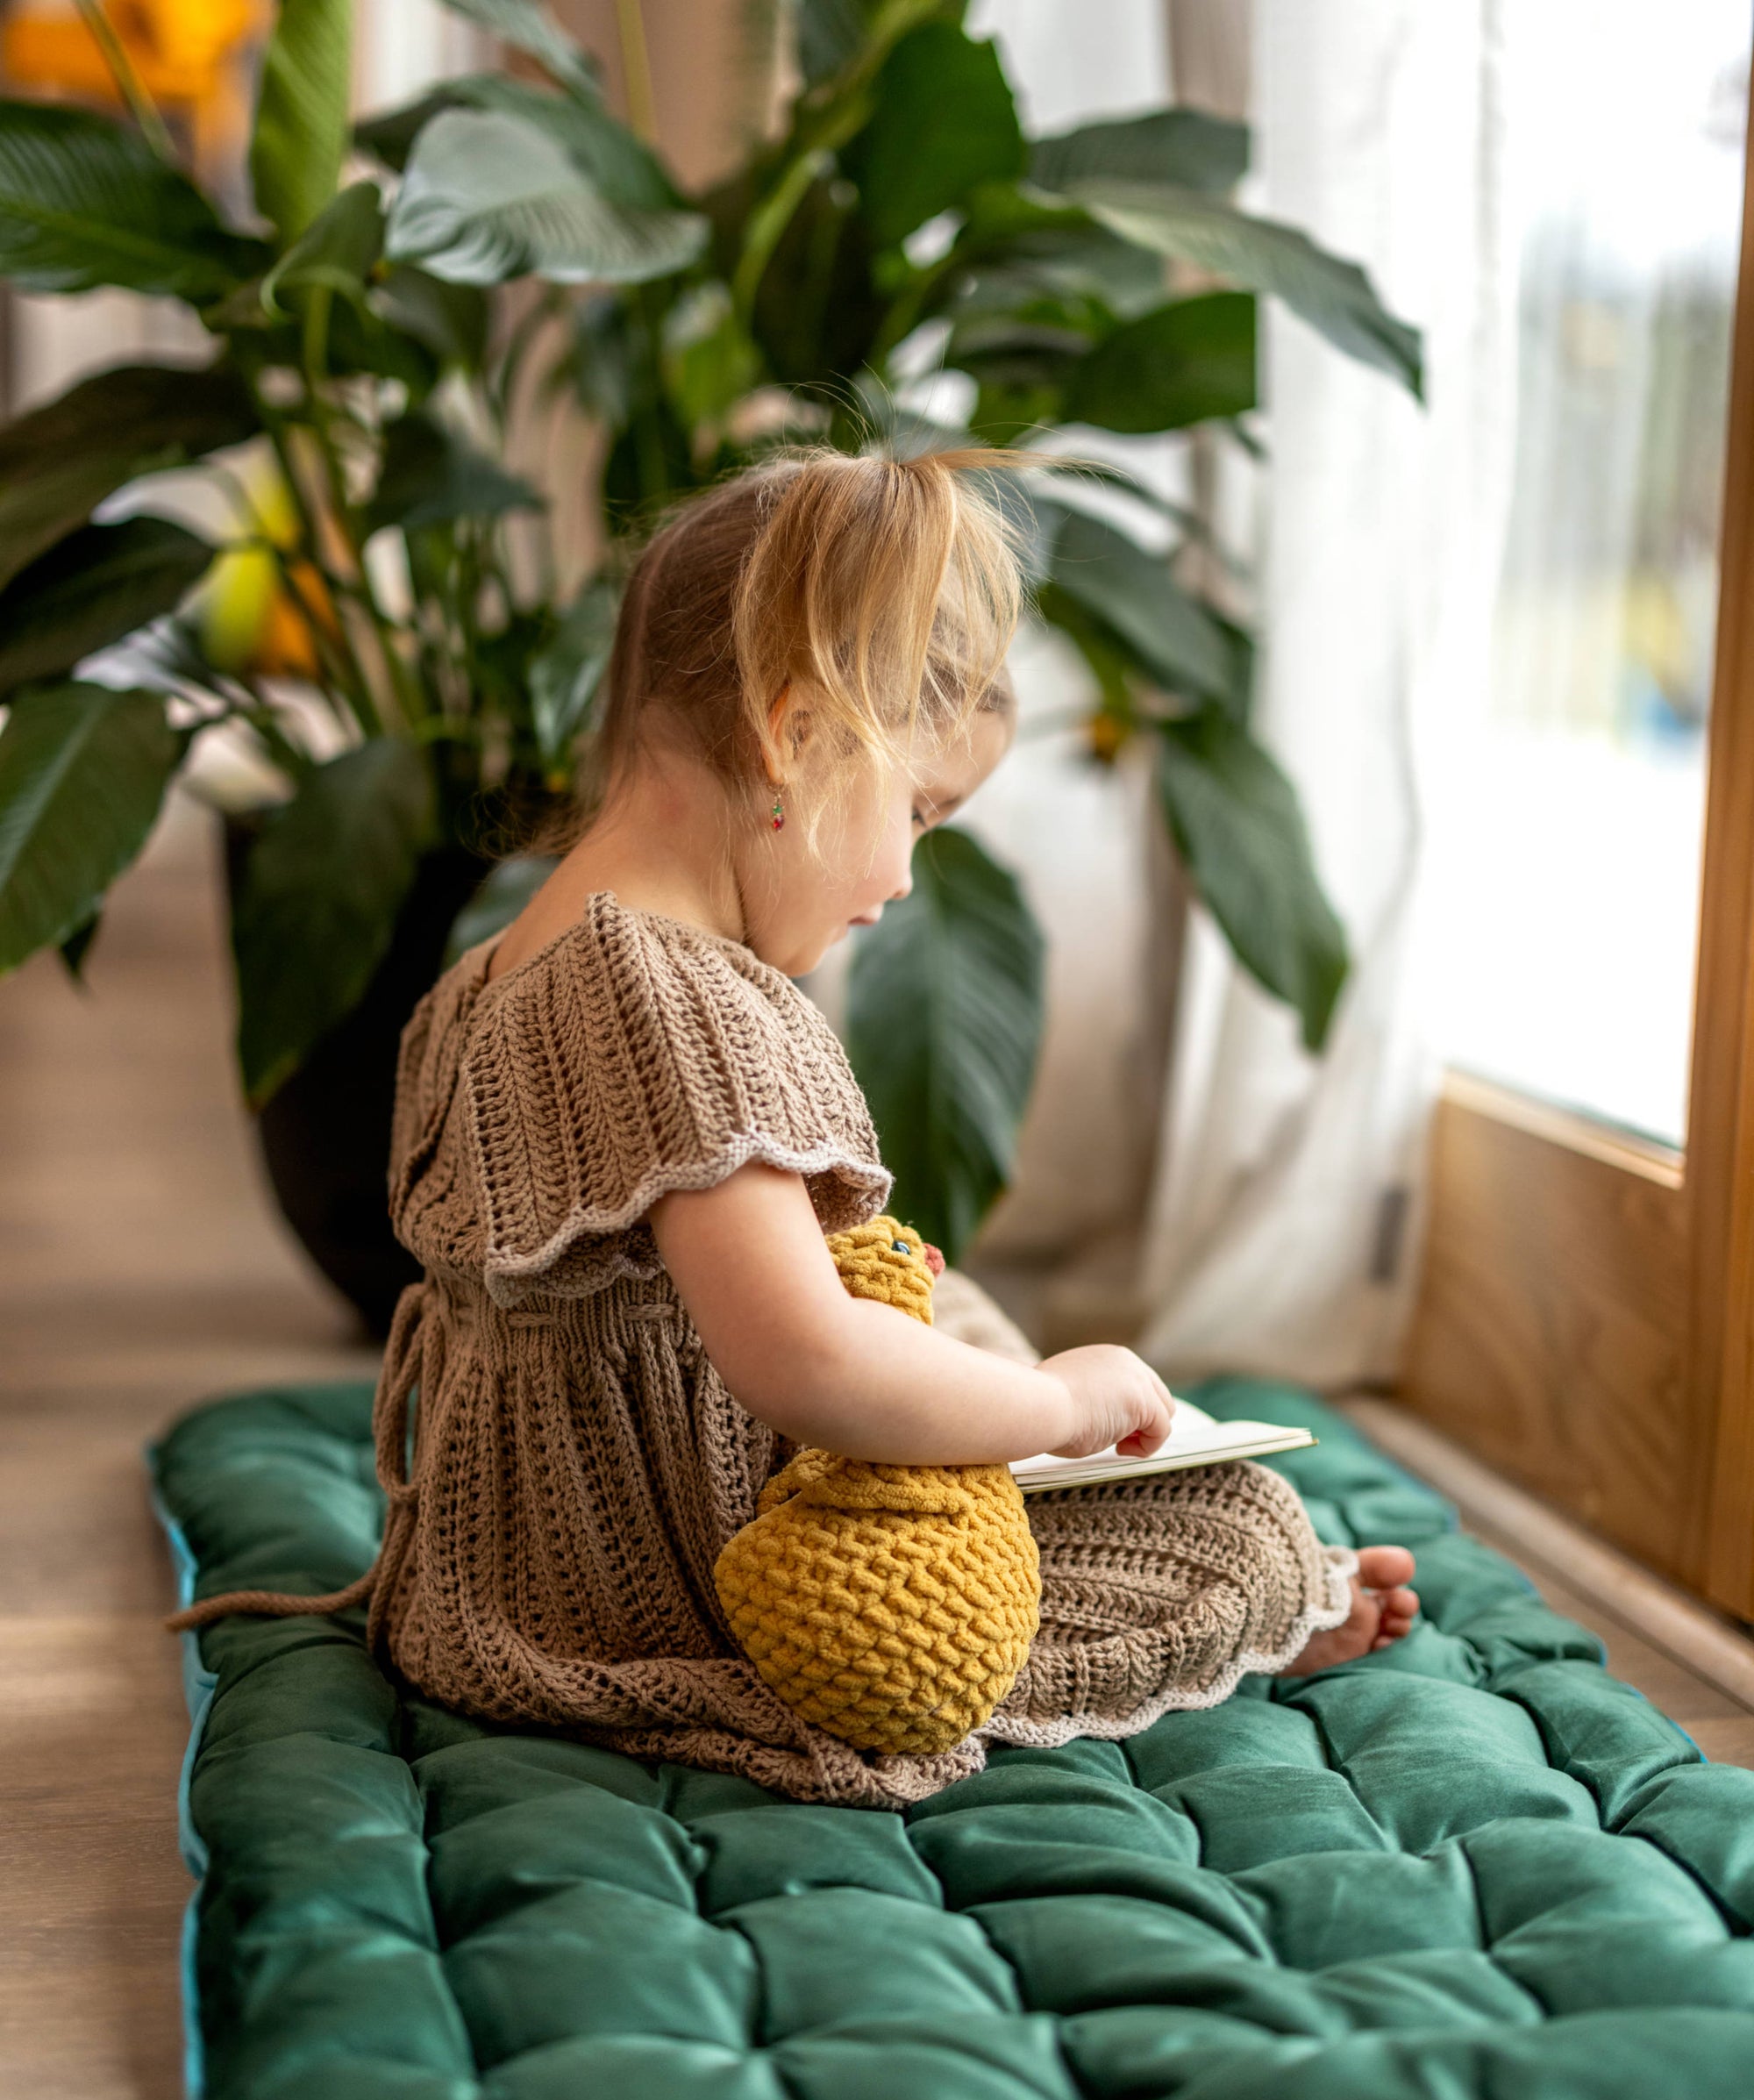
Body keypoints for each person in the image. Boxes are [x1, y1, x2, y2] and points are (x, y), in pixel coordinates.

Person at [175, 447, 1417, 1807]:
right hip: (688, 1585)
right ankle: (1280, 1607)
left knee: (971, 1327)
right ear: (798, 736)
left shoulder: (492, 974)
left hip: (505, 1568)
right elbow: (807, 1364)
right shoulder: (679, 999)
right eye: (920, 813)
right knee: (1235, 1525)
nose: (900, 879)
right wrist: (1059, 1406)